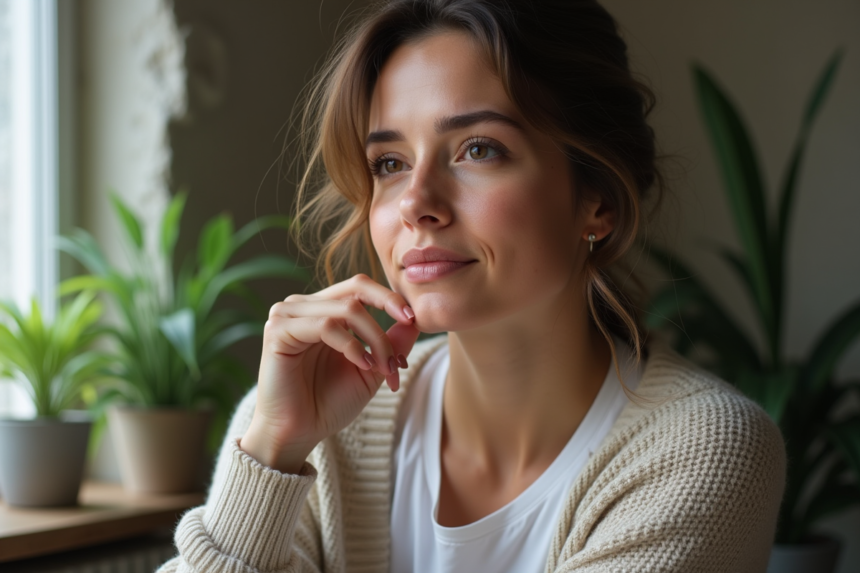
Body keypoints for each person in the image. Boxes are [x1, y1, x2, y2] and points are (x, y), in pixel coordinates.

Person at [158, 1, 786, 571]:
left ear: (596, 196)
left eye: (479, 149)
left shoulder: (703, 452)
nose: (417, 204)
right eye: (390, 163)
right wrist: (272, 448)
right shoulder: (315, 432)